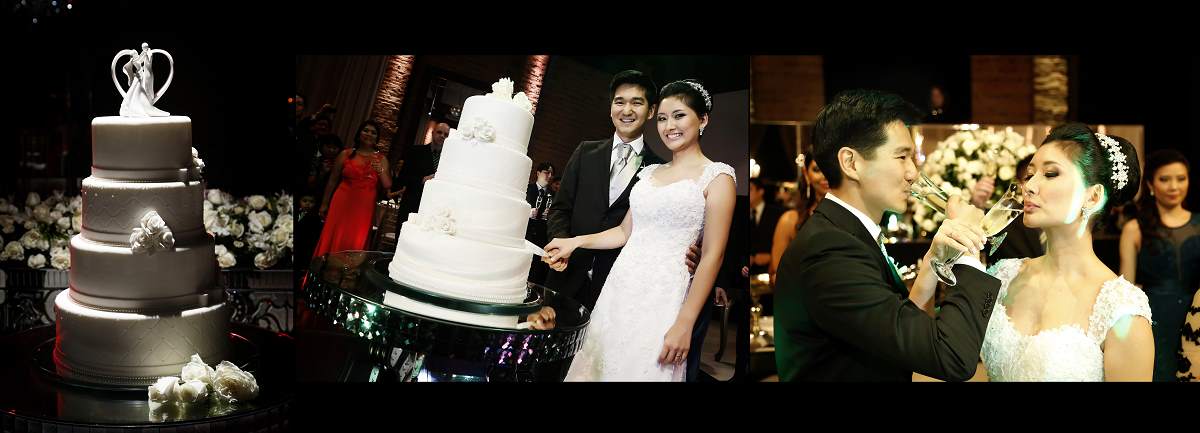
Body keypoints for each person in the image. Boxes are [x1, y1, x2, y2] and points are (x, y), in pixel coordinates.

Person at [774, 89, 1000, 382]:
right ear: (851, 163)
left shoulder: (846, 234)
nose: (913, 173)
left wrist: (932, 263)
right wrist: (969, 249)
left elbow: (899, 331)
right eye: (902, 156)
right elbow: (951, 357)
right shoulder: (829, 249)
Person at [545, 79, 735, 381]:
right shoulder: (649, 173)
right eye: (663, 118)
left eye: (679, 116)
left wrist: (685, 322)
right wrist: (575, 242)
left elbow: (713, 254)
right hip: (619, 289)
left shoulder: (718, 177)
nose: (669, 126)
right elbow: (623, 233)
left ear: (703, 120)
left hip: (663, 297)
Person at [982, 124, 1153, 381]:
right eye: (1030, 174)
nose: (1029, 186)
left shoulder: (1120, 309)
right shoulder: (1004, 275)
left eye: (1050, 174)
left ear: (1093, 197)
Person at [1119, 149, 1195, 381]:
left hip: (1196, 317)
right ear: (1150, 184)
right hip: (1154, 320)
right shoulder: (1134, 228)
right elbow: (1125, 290)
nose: (1174, 187)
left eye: (1181, 179)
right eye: (1165, 179)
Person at [312, 120, 391, 257]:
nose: (369, 134)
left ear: (377, 138)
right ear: (359, 133)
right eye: (366, 130)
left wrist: (380, 170)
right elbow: (332, 180)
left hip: (364, 205)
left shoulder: (381, 159)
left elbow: (387, 185)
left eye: (373, 132)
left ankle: (348, 269)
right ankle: (325, 265)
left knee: (355, 238)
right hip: (342, 200)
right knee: (334, 233)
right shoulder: (346, 154)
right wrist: (324, 203)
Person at [769, 149, 828, 286]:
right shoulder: (789, 220)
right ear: (806, 174)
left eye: (830, 168)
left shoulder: (854, 215)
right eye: (817, 169)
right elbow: (777, 275)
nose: (825, 175)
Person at [972, 154, 1046, 262]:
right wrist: (977, 205)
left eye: (1050, 175)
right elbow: (977, 243)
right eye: (1029, 177)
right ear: (1020, 184)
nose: (1032, 186)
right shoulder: (1004, 221)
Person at [395, 122, 448, 225]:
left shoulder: (448, 160)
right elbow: (403, 177)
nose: (442, 136)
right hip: (412, 204)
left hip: (433, 210)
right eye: (439, 132)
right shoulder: (416, 152)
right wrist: (422, 179)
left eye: (446, 134)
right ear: (433, 133)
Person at [526, 162, 555, 286]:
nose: (549, 176)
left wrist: (550, 215)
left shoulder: (553, 195)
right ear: (538, 173)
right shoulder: (527, 188)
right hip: (526, 233)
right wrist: (527, 212)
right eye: (546, 172)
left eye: (551, 174)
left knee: (535, 269)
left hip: (541, 237)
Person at [748, 178, 783, 276]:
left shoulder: (776, 213)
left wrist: (771, 256)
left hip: (770, 269)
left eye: (750, 189)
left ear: (760, 191)